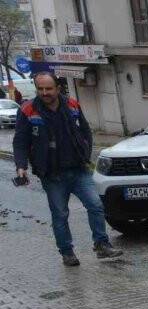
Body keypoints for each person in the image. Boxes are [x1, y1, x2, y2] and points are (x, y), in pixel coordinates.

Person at [13, 72, 122, 266]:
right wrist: (21, 166)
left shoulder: (72, 105)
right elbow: (20, 141)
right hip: (52, 174)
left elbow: (86, 131)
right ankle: (67, 252)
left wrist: (86, 153)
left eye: (48, 88)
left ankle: (102, 244)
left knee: (95, 205)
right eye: (40, 89)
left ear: (58, 88)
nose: (44, 93)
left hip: (79, 169)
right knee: (60, 214)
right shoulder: (28, 110)